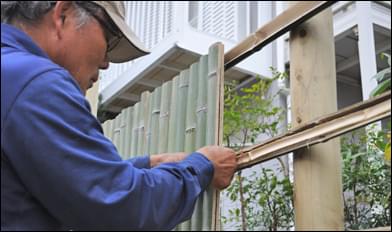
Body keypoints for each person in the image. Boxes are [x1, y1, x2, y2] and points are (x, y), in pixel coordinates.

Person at [1, 1, 237, 230]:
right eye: (110, 39)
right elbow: (122, 207)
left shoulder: (12, 74)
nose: (106, 64)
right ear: (63, 14)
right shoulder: (36, 83)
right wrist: (201, 167)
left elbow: (74, 179)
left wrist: (147, 165)